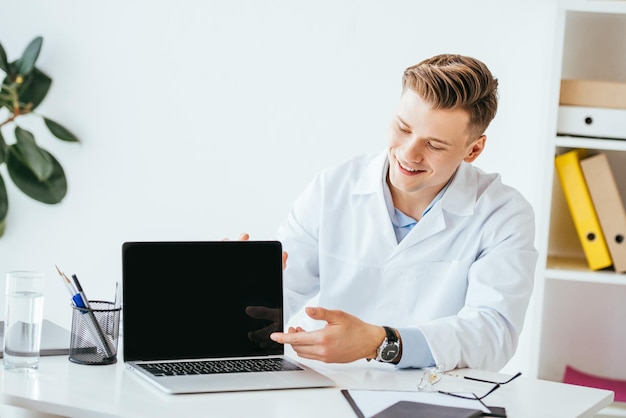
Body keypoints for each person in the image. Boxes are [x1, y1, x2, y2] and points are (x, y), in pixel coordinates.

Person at [244, 53, 537, 372]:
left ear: (474, 150)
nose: (409, 153)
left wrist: (379, 343)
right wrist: (236, 289)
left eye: (435, 145)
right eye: (403, 128)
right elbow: (279, 297)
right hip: (326, 382)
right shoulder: (333, 188)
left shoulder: (503, 214)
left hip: (435, 393)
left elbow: (493, 335)